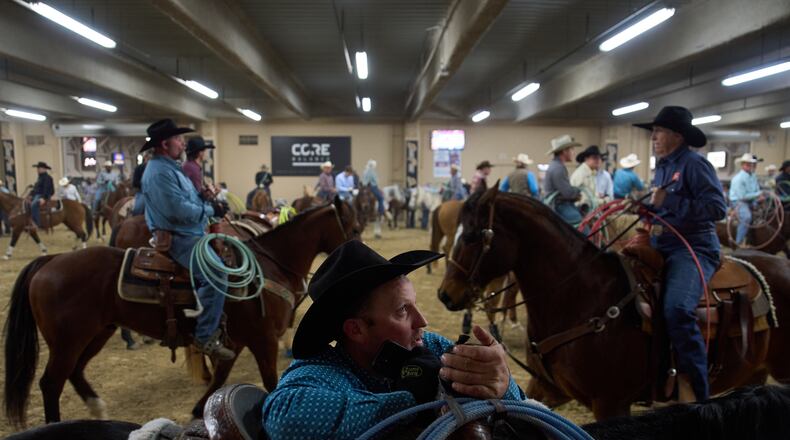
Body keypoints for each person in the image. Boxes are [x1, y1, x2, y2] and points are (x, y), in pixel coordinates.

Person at [262, 240, 526, 440]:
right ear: (356, 330)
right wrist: (411, 400)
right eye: (402, 310)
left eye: (415, 305)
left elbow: (523, 411)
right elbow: (286, 419)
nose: (422, 321)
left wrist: (502, 384)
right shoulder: (322, 372)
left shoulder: (430, 346)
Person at [634, 106, 727, 402]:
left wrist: (669, 200)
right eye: (654, 132)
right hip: (663, 245)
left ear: (677, 135)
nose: (654, 138)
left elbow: (717, 209)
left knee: (678, 309)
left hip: (694, 248)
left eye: (659, 132)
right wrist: (646, 207)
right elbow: (662, 205)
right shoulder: (662, 165)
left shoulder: (695, 165)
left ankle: (699, 394)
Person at [140, 119, 233, 360]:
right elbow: (179, 211)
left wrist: (206, 200)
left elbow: (189, 202)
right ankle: (204, 337)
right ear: (164, 143)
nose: (183, 143)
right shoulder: (159, 172)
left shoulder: (171, 168)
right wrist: (212, 211)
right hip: (179, 237)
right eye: (179, 139)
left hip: (191, 232)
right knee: (217, 274)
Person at [544, 135, 582, 225]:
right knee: (580, 221)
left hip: (555, 204)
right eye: (572, 149)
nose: (573, 152)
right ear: (565, 151)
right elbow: (568, 193)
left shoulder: (555, 165)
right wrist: (578, 191)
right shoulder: (559, 168)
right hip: (558, 206)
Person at [729, 153, 764, 246]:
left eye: (752, 164)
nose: (751, 166)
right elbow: (742, 196)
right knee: (746, 217)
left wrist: (759, 197)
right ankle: (738, 243)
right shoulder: (738, 179)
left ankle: (753, 240)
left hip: (751, 200)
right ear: (742, 165)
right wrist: (758, 194)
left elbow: (756, 189)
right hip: (738, 201)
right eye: (748, 164)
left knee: (766, 213)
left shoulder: (753, 176)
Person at [570, 145, 607, 213]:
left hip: (590, 210)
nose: (598, 161)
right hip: (582, 211)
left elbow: (590, 194)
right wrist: (604, 201)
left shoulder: (590, 173)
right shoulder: (581, 174)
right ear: (586, 159)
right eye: (594, 158)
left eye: (599, 158)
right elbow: (584, 200)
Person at [29, 161, 54, 228]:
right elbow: (36, 188)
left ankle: (36, 223)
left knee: (33, 205)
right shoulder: (40, 178)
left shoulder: (47, 178)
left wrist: (44, 198)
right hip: (37, 195)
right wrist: (31, 194)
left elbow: (47, 189)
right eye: (37, 168)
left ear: (44, 169)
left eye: (39, 168)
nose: (37, 170)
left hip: (42, 196)